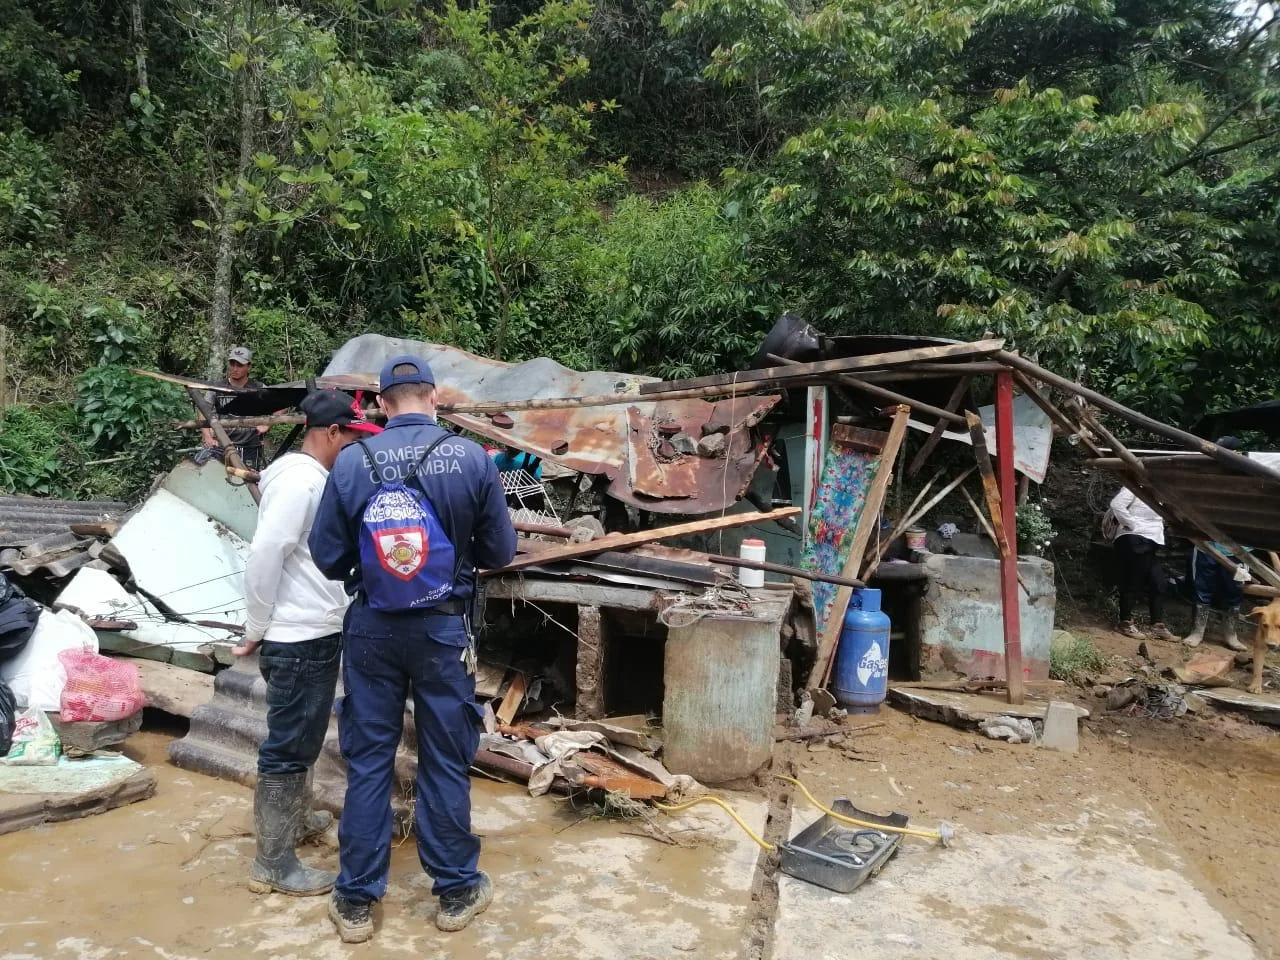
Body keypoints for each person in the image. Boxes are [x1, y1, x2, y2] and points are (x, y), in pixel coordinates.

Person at [309, 355, 517, 943]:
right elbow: (500, 552)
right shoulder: (471, 457)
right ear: (434, 396)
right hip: (442, 632)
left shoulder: (353, 460)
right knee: (445, 757)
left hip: (372, 628)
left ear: (380, 403)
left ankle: (355, 899)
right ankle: (455, 890)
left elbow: (328, 556)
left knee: (370, 760)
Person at [235, 389, 382, 898]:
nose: (356, 448)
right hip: (298, 636)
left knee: (304, 737)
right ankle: (273, 863)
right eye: (353, 437)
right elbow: (265, 553)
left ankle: (295, 820)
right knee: (289, 748)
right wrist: (255, 626)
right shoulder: (300, 483)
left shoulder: (307, 477)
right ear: (332, 432)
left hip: (312, 631)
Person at [1183, 437, 1249, 651]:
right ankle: (1197, 631)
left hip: (1239, 548)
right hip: (1206, 545)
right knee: (1202, 588)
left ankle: (1231, 634)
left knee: (1235, 589)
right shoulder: (1204, 474)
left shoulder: (1248, 474)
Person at [1108, 487, 1174, 640]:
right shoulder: (1135, 486)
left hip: (1151, 541)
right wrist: (1132, 524)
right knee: (1133, 581)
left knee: (1159, 583)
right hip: (1135, 540)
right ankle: (1125, 623)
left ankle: (1157, 625)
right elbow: (1117, 504)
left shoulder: (1163, 492)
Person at [202, 346, 269, 469]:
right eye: (232, 364)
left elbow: (282, 405)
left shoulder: (258, 388)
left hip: (250, 446)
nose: (235, 369)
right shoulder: (218, 387)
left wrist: (267, 424)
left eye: (240, 365)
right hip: (222, 444)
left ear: (249, 366)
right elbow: (203, 408)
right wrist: (207, 435)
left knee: (248, 478)